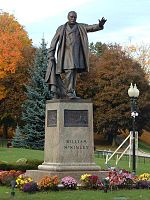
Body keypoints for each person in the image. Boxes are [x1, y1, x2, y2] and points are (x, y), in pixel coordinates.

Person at [45, 11, 107, 99]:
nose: (73, 19)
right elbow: (54, 41)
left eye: (74, 17)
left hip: (77, 56)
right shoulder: (61, 28)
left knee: (73, 73)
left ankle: (68, 91)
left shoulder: (80, 27)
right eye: (71, 17)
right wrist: (51, 54)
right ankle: (68, 92)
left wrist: (99, 25)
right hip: (65, 56)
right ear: (68, 17)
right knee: (69, 72)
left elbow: (91, 27)